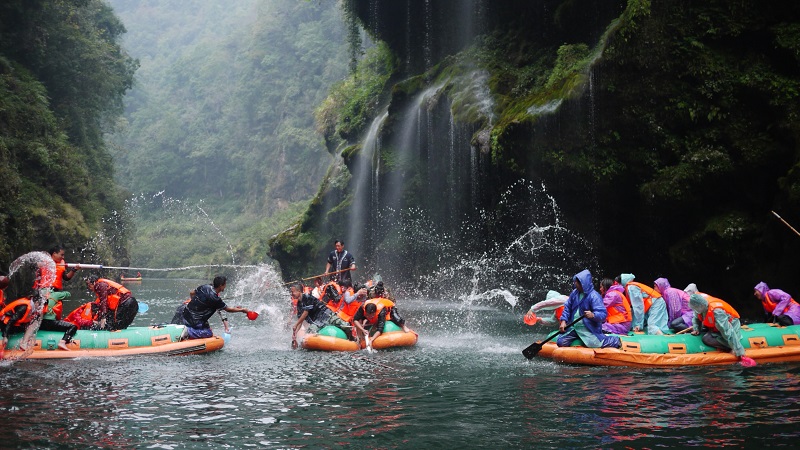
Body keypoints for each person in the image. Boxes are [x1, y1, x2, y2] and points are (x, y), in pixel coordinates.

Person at [556, 269, 621, 348]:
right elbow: (567, 307)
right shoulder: (574, 293)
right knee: (561, 342)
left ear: (583, 283)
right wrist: (564, 321)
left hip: (589, 328)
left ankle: (614, 340)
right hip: (575, 328)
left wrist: (593, 315)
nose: (575, 283)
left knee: (594, 344)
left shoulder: (594, 296)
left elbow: (603, 314)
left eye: (577, 282)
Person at [689, 293, 756, 367]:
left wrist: (739, 352)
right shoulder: (699, 307)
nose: (695, 310)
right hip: (715, 326)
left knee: (707, 338)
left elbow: (728, 331)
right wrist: (696, 329)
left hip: (731, 324)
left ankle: (729, 347)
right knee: (705, 331)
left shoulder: (717, 312)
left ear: (701, 305)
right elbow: (696, 317)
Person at [181, 276, 251, 339]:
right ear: (221, 286)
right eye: (225, 284)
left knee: (206, 326)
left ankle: (187, 328)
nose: (225, 286)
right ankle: (188, 332)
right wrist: (242, 310)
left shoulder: (205, 287)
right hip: (194, 320)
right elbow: (227, 309)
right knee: (208, 333)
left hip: (186, 313)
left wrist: (193, 300)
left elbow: (192, 293)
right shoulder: (215, 299)